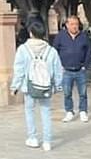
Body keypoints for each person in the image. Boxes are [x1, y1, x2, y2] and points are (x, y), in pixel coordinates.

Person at [11, 16, 63, 152]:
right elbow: (58, 69)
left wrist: (15, 86)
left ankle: (32, 138)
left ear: (31, 33)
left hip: (29, 86)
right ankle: (47, 141)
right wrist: (58, 85)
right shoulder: (51, 51)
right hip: (46, 87)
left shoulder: (23, 49)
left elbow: (19, 70)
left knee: (30, 111)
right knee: (46, 112)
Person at [53, 14, 91, 123]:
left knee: (83, 93)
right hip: (66, 70)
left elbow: (88, 51)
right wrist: (59, 66)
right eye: (72, 24)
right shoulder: (61, 36)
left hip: (80, 69)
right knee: (67, 93)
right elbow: (54, 51)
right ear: (67, 25)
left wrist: (85, 65)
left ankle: (83, 111)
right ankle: (69, 111)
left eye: (76, 24)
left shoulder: (83, 36)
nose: (74, 26)